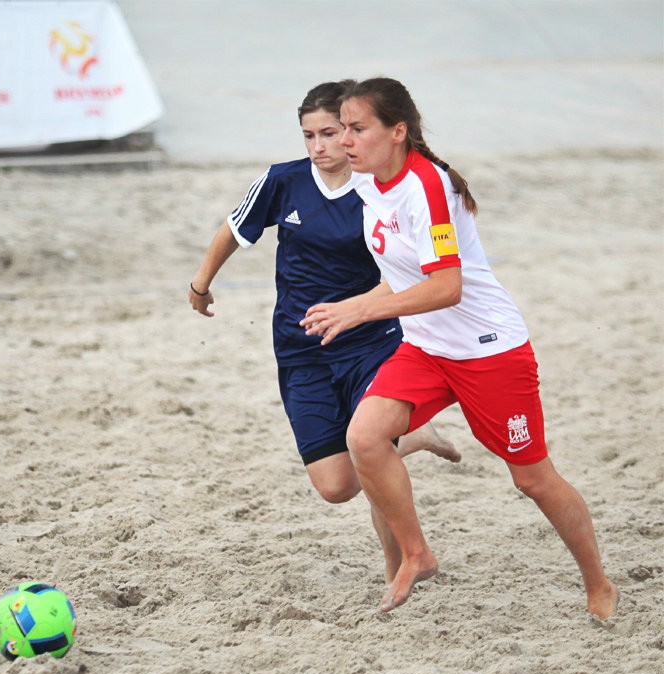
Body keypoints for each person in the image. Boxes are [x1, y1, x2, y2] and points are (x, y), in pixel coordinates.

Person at [300, 77, 618, 619]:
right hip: (426, 348)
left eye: (357, 128)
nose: (345, 140)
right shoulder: (371, 186)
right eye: (342, 129)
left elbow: (448, 286)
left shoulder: (429, 186)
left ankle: (599, 585)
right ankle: (416, 553)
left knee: (532, 479)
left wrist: (358, 310)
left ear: (397, 131)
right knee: (365, 437)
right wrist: (353, 302)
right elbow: (403, 278)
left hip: (488, 350)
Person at [189, 81, 461, 584]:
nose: (319, 147)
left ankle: (398, 564)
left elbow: (408, 273)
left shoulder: (378, 189)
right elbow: (234, 228)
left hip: (371, 339)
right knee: (335, 486)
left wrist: (358, 310)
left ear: (354, 132)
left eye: (332, 133)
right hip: (300, 349)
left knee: (373, 454)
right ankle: (414, 437)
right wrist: (201, 283)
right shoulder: (283, 180)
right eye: (309, 135)